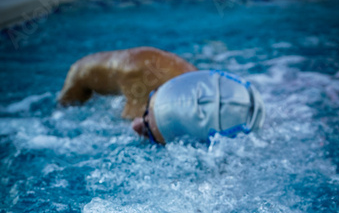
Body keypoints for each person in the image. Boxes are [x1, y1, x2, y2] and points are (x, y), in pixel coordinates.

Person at [59, 46, 265, 144]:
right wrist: (63, 107)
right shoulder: (140, 68)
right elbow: (79, 71)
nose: (135, 126)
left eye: (148, 130)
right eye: (146, 109)